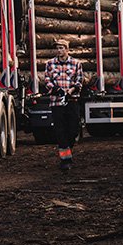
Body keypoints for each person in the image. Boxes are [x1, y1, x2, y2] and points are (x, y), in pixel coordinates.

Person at [44, 38, 84, 170]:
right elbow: (47, 80)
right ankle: (65, 160)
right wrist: (58, 90)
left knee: (73, 130)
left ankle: (68, 148)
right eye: (57, 48)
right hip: (56, 103)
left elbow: (79, 80)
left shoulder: (76, 63)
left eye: (61, 48)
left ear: (67, 49)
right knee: (60, 131)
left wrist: (71, 91)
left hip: (72, 101)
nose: (59, 50)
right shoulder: (50, 64)